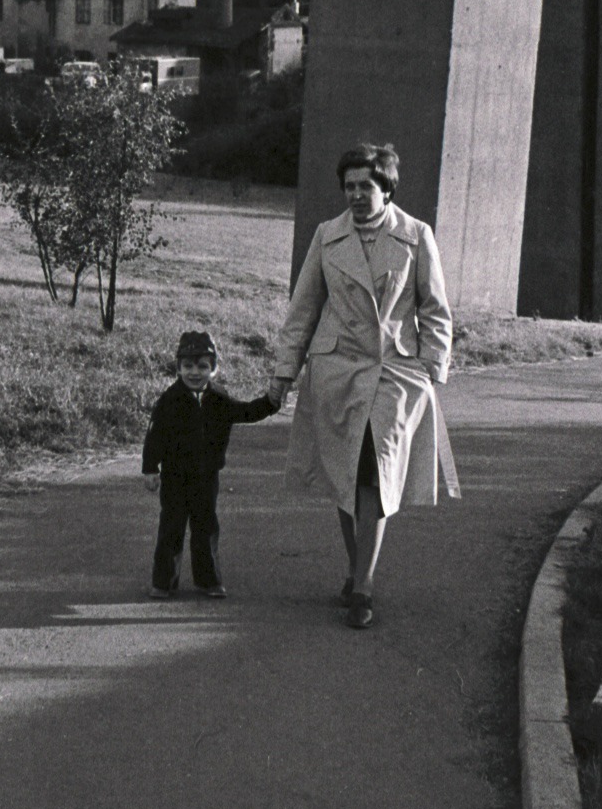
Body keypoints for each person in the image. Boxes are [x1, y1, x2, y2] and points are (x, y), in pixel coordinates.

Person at [269, 143, 458, 629]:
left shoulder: (416, 235)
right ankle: (357, 572)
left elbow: (435, 310)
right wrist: (283, 373)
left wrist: (432, 367)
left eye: (366, 186)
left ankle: (364, 584)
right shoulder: (327, 236)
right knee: (345, 473)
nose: (356, 195)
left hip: (394, 373)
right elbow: (304, 307)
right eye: (349, 186)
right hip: (338, 371)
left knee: (374, 472)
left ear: (386, 188)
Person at [143, 330, 279, 599]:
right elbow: (154, 436)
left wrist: (270, 403)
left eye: (203, 366)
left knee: (205, 528)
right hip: (174, 477)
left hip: (206, 477)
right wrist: (150, 468)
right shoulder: (170, 400)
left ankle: (208, 581)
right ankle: (163, 582)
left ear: (214, 369)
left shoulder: (219, 398)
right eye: (188, 366)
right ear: (178, 368)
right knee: (171, 527)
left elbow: (245, 412)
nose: (195, 372)